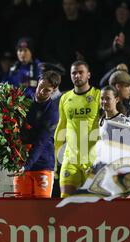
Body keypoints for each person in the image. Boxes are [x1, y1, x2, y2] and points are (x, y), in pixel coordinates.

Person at [54, 61, 100, 198]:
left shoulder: (98, 95)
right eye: (74, 73)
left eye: (81, 72)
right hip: (70, 158)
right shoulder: (65, 98)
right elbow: (60, 127)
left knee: (92, 204)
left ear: (88, 75)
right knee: (65, 200)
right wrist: (54, 158)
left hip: (92, 159)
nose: (77, 76)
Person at [12, 71, 62, 198]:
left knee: (41, 210)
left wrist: (26, 166)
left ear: (54, 90)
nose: (41, 92)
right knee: (20, 209)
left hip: (42, 165)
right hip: (22, 164)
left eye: (47, 90)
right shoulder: (24, 102)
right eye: (40, 87)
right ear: (37, 83)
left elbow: (41, 142)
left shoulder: (52, 113)